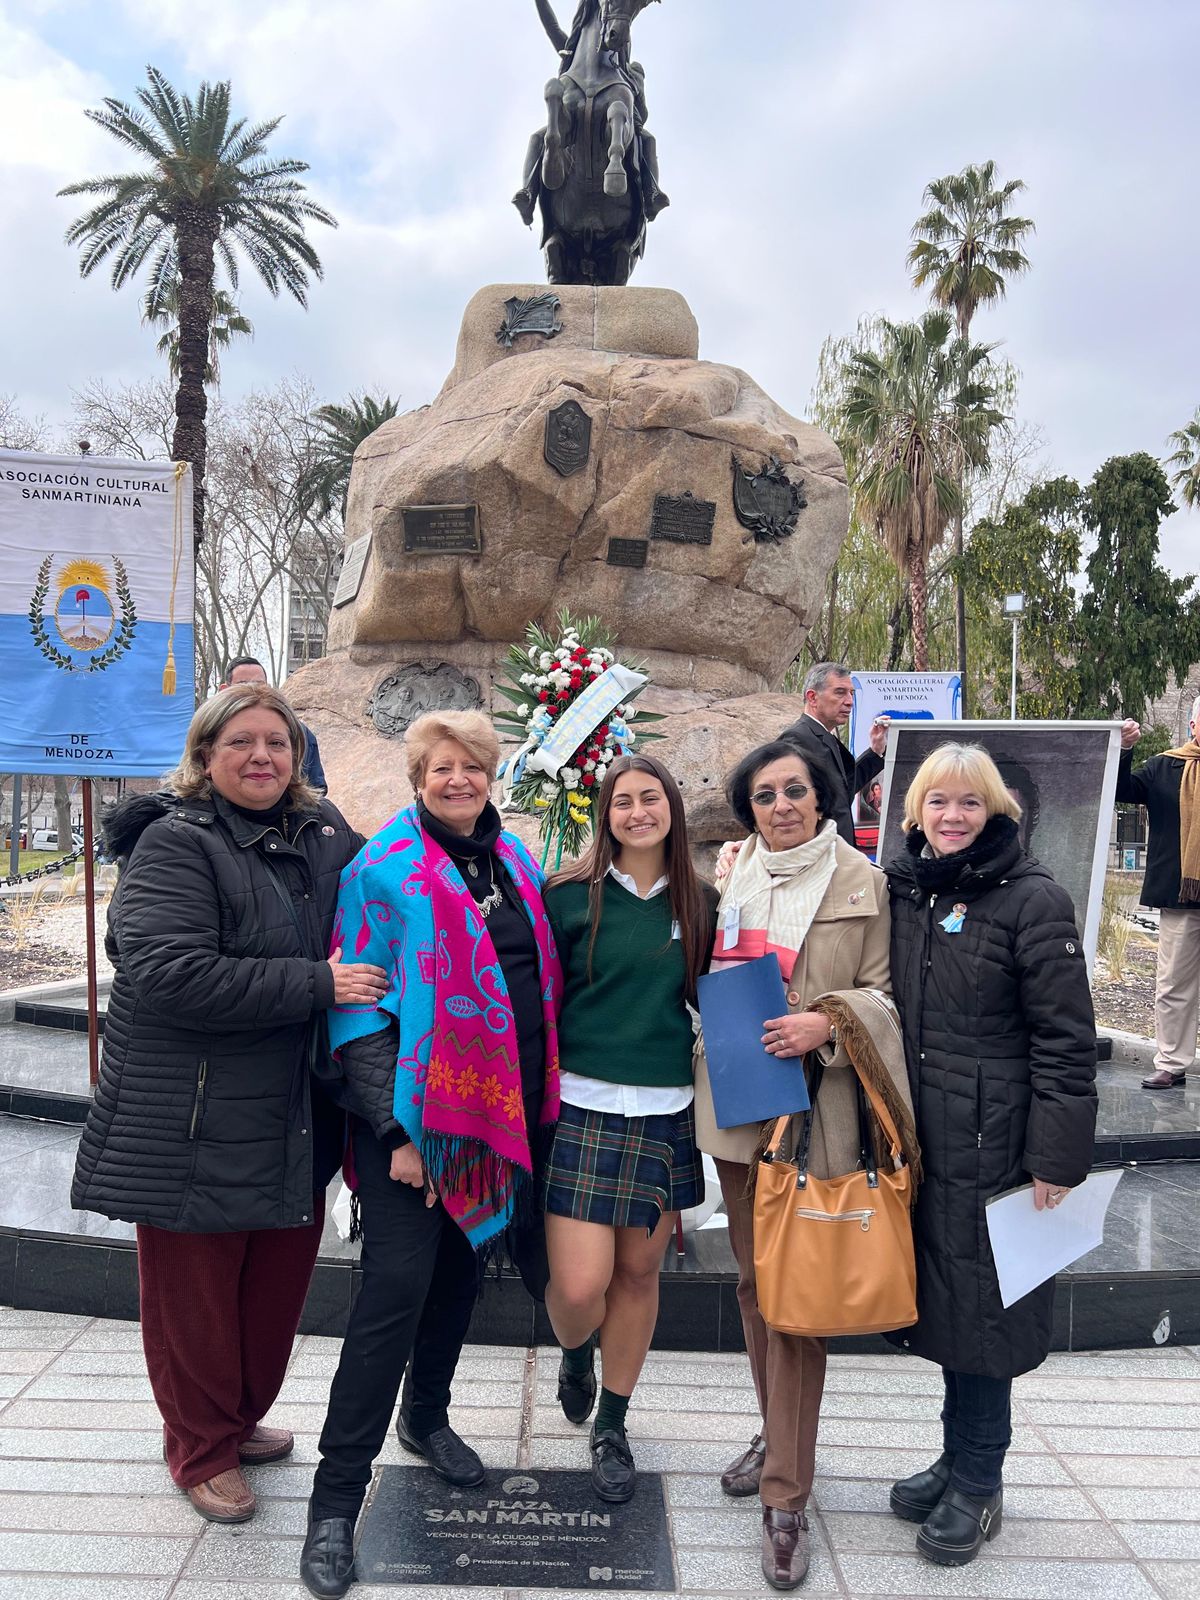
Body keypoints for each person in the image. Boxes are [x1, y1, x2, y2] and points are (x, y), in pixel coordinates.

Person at [71, 684, 385, 1523]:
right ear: (206, 756)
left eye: (277, 744)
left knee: (270, 1291)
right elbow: (168, 972)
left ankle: (236, 1421)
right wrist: (318, 983)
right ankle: (199, 1447)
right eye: (241, 743)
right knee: (196, 1300)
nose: (261, 758)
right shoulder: (178, 844)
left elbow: (396, 893)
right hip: (194, 1118)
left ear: (298, 755)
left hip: (291, 1114)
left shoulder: (323, 834)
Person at [300, 710, 563, 1600]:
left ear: (491, 775)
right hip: (413, 1132)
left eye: (473, 767)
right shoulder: (382, 871)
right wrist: (399, 1134)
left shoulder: (517, 861)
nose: (458, 780)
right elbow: (360, 1008)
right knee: (392, 1297)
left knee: (458, 1279)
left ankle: (428, 1417)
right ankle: (335, 1504)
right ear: (418, 777)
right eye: (441, 768)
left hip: (500, 1120)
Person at [694, 739, 905, 1591]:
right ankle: (777, 1432)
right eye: (766, 794)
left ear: (822, 798)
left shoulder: (863, 883)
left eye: (797, 791)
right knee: (754, 1285)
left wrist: (828, 1022)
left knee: (796, 1300)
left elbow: (890, 994)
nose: (782, 804)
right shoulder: (735, 875)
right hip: (742, 1105)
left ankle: (787, 1493)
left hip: (818, 1108)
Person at [884, 743, 1097, 1567]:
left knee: (987, 1313)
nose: (952, 817)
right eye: (938, 803)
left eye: (969, 804)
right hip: (927, 1138)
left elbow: (1065, 1041)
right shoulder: (907, 890)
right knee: (947, 1302)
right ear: (917, 813)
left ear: (997, 812)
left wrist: (1056, 1161)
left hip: (1001, 1143)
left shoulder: (1032, 901)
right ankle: (953, 1457)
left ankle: (981, 1480)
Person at [541, 754, 717, 1504]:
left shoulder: (704, 903)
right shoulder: (565, 898)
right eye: (623, 801)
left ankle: (612, 1421)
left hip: (662, 1112)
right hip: (579, 1109)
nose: (638, 812)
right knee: (582, 1288)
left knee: (639, 1276)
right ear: (603, 813)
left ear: (672, 809)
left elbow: (728, 996)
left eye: (651, 798)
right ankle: (575, 1352)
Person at [1116, 704, 1200, 1089]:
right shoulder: (1164, 767)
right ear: (1193, 724)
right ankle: (1171, 1062)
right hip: (1181, 897)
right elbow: (1122, 790)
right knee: (1173, 985)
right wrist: (1123, 750)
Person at [779, 662, 888, 846]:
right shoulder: (796, 739)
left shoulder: (824, 736)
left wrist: (876, 751)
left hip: (839, 856)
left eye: (851, 693)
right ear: (812, 697)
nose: (849, 701)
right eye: (840, 692)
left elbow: (842, 791)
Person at [224, 656, 327, 796]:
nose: (252, 691)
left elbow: (315, 790)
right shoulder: (210, 731)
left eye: (276, 743)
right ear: (224, 690)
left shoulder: (299, 733)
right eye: (240, 742)